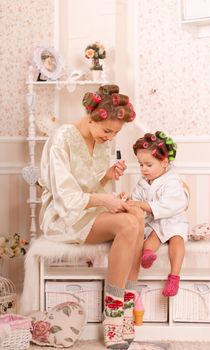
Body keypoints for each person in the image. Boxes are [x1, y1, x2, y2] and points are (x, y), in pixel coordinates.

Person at [39, 84, 145, 349]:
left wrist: (107, 177)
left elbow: (91, 185)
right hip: (62, 215)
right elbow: (66, 196)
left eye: (116, 133)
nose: (110, 137)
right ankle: (113, 317)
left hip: (88, 208)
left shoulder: (101, 143)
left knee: (137, 215)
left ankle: (126, 307)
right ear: (90, 116)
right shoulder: (63, 137)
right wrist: (105, 200)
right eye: (107, 130)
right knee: (127, 224)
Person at [124, 131, 189, 297]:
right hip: (155, 222)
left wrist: (142, 205)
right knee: (153, 235)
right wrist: (128, 202)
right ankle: (147, 255)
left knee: (176, 239)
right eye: (140, 164)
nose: (143, 169)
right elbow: (136, 202)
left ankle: (174, 277)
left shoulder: (172, 181)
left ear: (164, 162)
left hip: (174, 220)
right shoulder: (142, 183)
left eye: (148, 165)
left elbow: (170, 205)